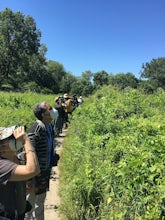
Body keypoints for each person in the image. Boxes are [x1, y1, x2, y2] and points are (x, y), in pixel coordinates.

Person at [25, 101, 59, 220]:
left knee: (40, 202)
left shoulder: (49, 126)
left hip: (44, 172)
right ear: (43, 114)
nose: (52, 109)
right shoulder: (36, 129)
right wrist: (28, 179)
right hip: (34, 175)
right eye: (49, 108)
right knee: (29, 205)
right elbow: (27, 153)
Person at [0, 125, 40, 220]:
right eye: (11, 139)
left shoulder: (15, 158)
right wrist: (26, 140)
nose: (16, 140)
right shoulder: (2, 165)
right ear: (2, 147)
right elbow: (32, 170)